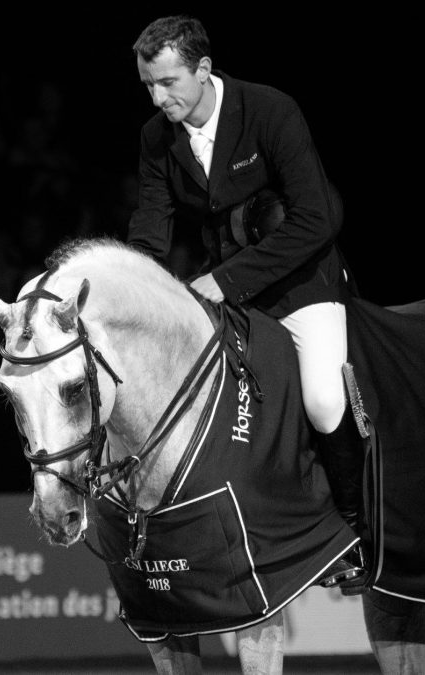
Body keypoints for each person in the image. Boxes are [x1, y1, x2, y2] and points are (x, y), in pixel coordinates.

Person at [126, 15, 368, 588]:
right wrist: (127, 288)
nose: (159, 99)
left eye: (169, 83)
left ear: (204, 69)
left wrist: (224, 282)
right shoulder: (156, 139)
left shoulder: (270, 110)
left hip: (303, 281)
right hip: (225, 286)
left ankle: (357, 536)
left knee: (324, 399)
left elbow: (315, 220)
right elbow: (150, 230)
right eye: (148, 86)